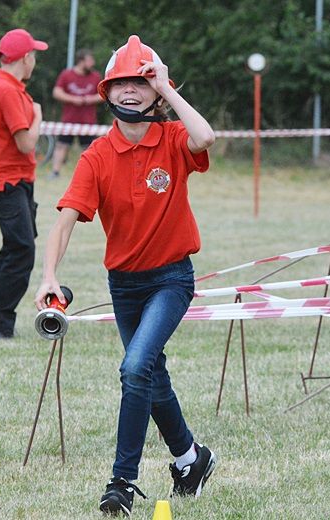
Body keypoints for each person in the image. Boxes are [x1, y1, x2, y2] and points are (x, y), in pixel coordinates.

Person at [35, 35, 217, 517]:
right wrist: (49, 275)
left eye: (141, 82)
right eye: (121, 83)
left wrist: (168, 88)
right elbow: (65, 221)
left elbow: (205, 138)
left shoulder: (174, 138)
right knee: (151, 374)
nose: (130, 91)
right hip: (125, 285)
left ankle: (122, 481)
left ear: (157, 92)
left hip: (171, 279)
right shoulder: (96, 155)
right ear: (107, 92)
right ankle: (191, 459)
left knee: (135, 368)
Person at [0, 28, 47, 340]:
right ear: (25, 58)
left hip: (14, 178)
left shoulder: (8, 87)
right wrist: (39, 117)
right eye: (34, 56)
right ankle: (1, 323)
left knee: (16, 245)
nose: (34, 62)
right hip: (7, 179)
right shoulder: (7, 90)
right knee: (22, 250)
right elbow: (26, 143)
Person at [50, 48, 103, 178]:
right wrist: (73, 99)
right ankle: (55, 172)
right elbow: (56, 92)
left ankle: (91, 174)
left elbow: (104, 95)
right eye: (89, 60)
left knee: (89, 149)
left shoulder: (95, 76)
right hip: (69, 119)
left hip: (88, 121)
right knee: (61, 145)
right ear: (81, 61)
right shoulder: (66, 75)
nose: (92, 63)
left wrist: (89, 99)